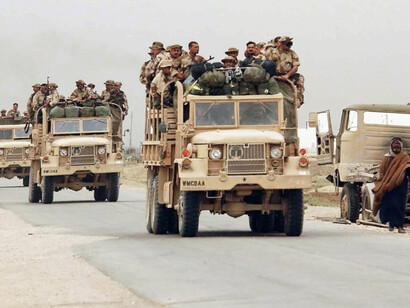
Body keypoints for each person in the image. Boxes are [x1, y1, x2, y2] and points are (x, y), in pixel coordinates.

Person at [372, 137, 410, 233]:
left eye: (398, 145)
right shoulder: (387, 157)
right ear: (391, 146)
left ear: (401, 146)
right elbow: (383, 171)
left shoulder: (405, 157)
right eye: (394, 144)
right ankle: (391, 225)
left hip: (401, 185)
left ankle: (400, 226)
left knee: (400, 206)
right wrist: (382, 183)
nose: (396, 146)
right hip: (388, 185)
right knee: (390, 205)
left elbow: (407, 168)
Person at [266, 36, 305, 106]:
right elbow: (264, 62)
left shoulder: (292, 53)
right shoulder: (271, 51)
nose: (289, 46)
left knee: (291, 98)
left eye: (290, 44)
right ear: (281, 44)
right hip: (274, 77)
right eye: (287, 44)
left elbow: (295, 66)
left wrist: (287, 76)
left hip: (287, 77)